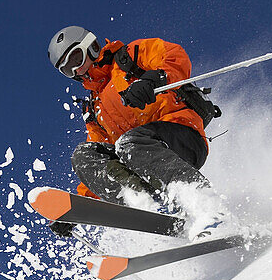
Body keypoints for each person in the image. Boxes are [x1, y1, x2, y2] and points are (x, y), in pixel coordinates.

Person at [47, 25, 229, 239]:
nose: (76, 70)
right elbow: (100, 160)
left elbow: (174, 55)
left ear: (91, 47)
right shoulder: (94, 107)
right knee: (84, 155)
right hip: (140, 160)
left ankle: (208, 208)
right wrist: (78, 209)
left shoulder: (128, 58)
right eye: (68, 70)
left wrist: (152, 80)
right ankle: (147, 205)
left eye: (76, 59)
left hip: (181, 138)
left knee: (128, 144)